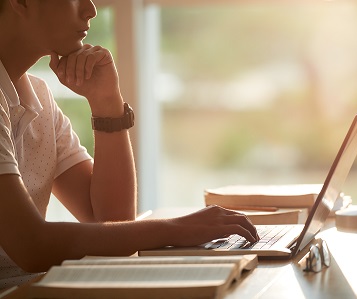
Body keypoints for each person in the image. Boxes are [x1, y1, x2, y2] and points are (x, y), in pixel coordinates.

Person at [0, 0, 258, 290]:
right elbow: (32, 245)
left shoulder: (38, 96)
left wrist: (106, 103)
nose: (91, 9)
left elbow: (112, 221)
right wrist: (176, 229)